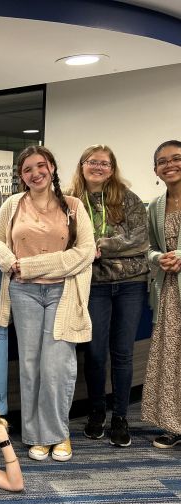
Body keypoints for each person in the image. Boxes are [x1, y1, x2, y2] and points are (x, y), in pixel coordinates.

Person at [0, 146, 95, 462]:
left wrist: (31, 265)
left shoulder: (73, 206)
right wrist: (8, 260)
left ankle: (58, 434)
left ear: (52, 168)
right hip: (23, 294)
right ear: (21, 176)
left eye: (41, 166)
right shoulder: (13, 205)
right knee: (31, 366)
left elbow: (85, 252)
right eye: (28, 169)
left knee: (57, 366)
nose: (35, 173)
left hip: (63, 294)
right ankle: (35, 436)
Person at [68, 145, 149, 447]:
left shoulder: (128, 199)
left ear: (112, 169)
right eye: (92, 162)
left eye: (104, 163)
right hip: (93, 284)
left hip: (130, 283)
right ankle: (96, 412)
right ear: (83, 165)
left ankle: (120, 416)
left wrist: (99, 245)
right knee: (95, 352)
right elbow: (64, 238)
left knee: (123, 353)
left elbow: (139, 240)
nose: (98, 168)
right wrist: (86, 249)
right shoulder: (70, 200)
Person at [141, 140, 181, 449]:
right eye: (162, 161)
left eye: (176, 158)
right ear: (156, 169)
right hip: (169, 292)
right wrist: (159, 258)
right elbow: (148, 248)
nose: (169, 165)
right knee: (171, 358)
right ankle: (173, 425)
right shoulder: (155, 206)